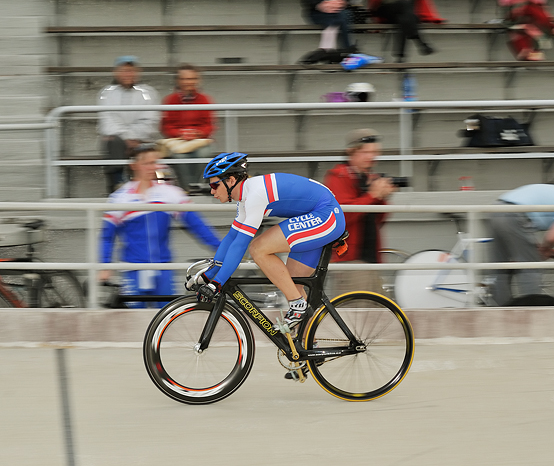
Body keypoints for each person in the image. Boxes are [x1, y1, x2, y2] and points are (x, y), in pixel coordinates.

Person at [196, 153, 347, 329]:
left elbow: (241, 245)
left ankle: (297, 305)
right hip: (317, 214)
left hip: (326, 215)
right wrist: (209, 274)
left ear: (230, 181)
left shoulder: (255, 196)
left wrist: (217, 283)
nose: (211, 191)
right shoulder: (245, 199)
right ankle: (308, 348)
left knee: (258, 248)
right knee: (292, 283)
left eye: (215, 185)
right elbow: (231, 239)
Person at [99, 143, 221, 308]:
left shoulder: (170, 193)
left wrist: (221, 249)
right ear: (134, 165)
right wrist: (104, 265)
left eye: (155, 162)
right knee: (132, 320)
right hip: (133, 270)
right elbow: (107, 236)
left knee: (166, 320)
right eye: (146, 163)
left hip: (164, 269)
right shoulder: (120, 198)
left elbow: (197, 225)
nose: (152, 167)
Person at [323, 129, 396, 294]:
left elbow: (379, 220)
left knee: (376, 312)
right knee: (353, 313)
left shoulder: (368, 177)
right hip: (351, 259)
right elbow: (342, 216)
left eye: (374, 152)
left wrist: (382, 196)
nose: (371, 156)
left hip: (370, 258)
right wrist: (373, 195)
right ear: (352, 152)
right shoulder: (338, 176)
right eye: (365, 152)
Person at [97, 56, 160, 194]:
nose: (128, 74)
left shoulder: (148, 93)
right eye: (124, 71)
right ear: (116, 73)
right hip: (119, 141)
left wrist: (132, 138)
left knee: (152, 151)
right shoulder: (106, 93)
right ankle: (117, 187)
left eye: (131, 71)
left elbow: (150, 120)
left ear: (137, 72)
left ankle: (155, 189)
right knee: (113, 143)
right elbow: (107, 121)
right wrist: (127, 138)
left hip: (142, 139)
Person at [158, 64, 216, 191]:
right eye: (184, 79)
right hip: (177, 140)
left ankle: (195, 187)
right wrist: (179, 133)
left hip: (199, 140)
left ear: (197, 80)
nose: (188, 82)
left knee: (203, 154)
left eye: (191, 79)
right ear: (178, 80)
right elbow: (165, 126)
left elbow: (209, 125)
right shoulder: (170, 100)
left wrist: (198, 133)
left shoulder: (204, 99)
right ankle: (188, 188)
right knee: (179, 157)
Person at [369, 0, 443, 62]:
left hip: (404, 12)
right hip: (385, 10)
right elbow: (384, 0)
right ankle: (419, 41)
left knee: (404, 17)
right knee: (407, 13)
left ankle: (400, 58)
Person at [300, 0, 356, 64]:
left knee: (341, 12)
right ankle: (347, 48)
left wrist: (341, 2)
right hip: (317, 12)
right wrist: (322, 4)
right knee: (340, 11)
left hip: (338, 11)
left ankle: (326, 48)